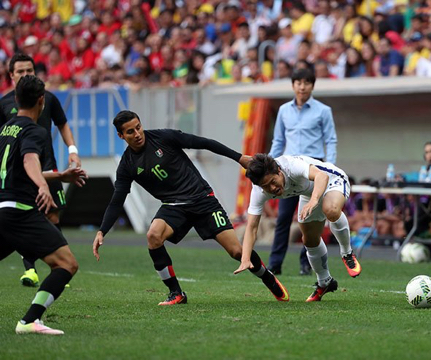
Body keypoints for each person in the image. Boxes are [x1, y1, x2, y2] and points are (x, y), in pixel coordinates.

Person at [92, 111, 289, 305]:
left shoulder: (163, 137)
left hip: (202, 199)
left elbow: (204, 143)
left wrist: (239, 158)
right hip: (174, 206)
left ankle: (267, 278)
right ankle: (176, 293)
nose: (137, 134)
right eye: (130, 132)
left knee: (237, 251)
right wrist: (102, 230)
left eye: (138, 127)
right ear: (121, 136)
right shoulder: (126, 165)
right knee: (153, 236)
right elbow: (117, 199)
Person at [0, 75, 87, 335]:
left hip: (3, 210)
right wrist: (41, 185)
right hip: (21, 212)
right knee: (66, 264)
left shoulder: (4, 130)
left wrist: (58, 177)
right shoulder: (35, 131)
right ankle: (29, 321)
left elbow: (19, 167)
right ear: (41, 101)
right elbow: (29, 162)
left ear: (16, 100)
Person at [234, 154, 361, 302]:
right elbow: (252, 227)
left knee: (330, 209)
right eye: (266, 186)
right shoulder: (259, 191)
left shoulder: (291, 165)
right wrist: (245, 258)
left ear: (279, 171)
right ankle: (324, 282)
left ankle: (347, 253)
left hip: (332, 180)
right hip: (309, 193)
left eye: (273, 182)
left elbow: (322, 176)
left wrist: (314, 201)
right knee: (309, 239)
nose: (272, 188)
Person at [267, 68, 337, 276]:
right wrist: (269, 165)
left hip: (313, 169)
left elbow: (330, 139)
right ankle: (275, 263)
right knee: (283, 218)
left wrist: (330, 167)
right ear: (293, 85)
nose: (302, 86)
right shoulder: (283, 110)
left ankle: (307, 263)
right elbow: (278, 141)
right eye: (298, 82)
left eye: (306, 82)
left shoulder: (323, 110)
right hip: (287, 169)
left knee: (310, 219)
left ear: (312, 86)